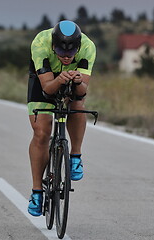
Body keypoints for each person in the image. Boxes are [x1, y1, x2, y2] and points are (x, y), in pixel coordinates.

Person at [27, 20, 96, 216]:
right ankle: (37, 192)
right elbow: (48, 88)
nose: (66, 57)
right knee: (41, 132)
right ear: (52, 45)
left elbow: (82, 91)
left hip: (71, 81)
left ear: (78, 46)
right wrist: (58, 79)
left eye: (71, 52)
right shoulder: (40, 43)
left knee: (77, 104)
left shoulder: (88, 47)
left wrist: (77, 81)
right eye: (60, 50)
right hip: (44, 82)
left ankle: (75, 156)